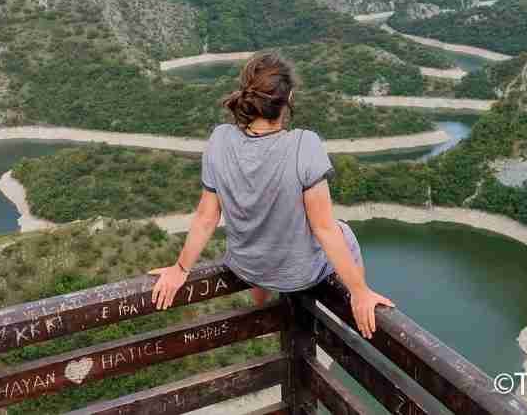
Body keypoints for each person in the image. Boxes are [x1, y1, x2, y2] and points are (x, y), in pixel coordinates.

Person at [150, 52, 394, 338]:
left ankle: (262, 312)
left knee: (261, 229)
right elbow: (324, 229)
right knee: (345, 232)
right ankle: (354, 305)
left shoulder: (220, 139)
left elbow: (206, 217)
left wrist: (181, 268)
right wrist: (361, 291)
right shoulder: (304, 144)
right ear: (288, 98)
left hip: (245, 266)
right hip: (295, 275)